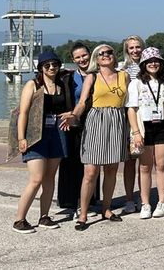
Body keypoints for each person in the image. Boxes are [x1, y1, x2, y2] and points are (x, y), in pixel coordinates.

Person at [63, 44, 130, 231]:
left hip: (117, 121)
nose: (106, 55)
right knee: (91, 172)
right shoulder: (92, 77)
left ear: (114, 56)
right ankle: (83, 214)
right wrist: (74, 115)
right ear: (96, 58)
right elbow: (83, 102)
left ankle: (106, 209)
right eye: (101, 54)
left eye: (109, 52)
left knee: (111, 170)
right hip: (96, 121)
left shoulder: (124, 76)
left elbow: (130, 103)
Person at [13, 50, 72, 233]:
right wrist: (21, 138)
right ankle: (19, 220)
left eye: (55, 64)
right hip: (36, 134)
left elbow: (67, 108)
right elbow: (23, 112)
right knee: (36, 179)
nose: (52, 68)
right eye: (47, 65)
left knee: (49, 178)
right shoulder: (33, 84)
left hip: (57, 134)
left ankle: (44, 216)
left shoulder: (62, 85)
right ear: (40, 68)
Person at [126, 47, 164, 219]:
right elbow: (131, 109)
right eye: (149, 61)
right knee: (145, 166)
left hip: (163, 125)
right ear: (143, 64)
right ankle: (145, 203)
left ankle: (162, 202)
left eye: (156, 61)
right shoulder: (136, 83)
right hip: (144, 126)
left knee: (161, 165)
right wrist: (136, 132)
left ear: (161, 63)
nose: (153, 64)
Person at [57, 42, 99, 218]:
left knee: (92, 165)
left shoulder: (100, 74)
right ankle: (72, 203)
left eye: (84, 55)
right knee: (71, 164)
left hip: (95, 124)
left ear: (90, 54)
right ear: (73, 60)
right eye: (78, 57)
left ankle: (89, 202)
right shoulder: (68, 77)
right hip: (73, 125)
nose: (82, 59)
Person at [119, 35, 145, 214]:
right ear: (127, 50)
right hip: (129, 116)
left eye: (138, 47)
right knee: (130, 162)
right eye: (131, 48)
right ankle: (129, 198)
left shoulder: (151, 64)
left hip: (148, 117)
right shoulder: (122, 68)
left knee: (145, 162)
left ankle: (144, 198)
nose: (135, 50)